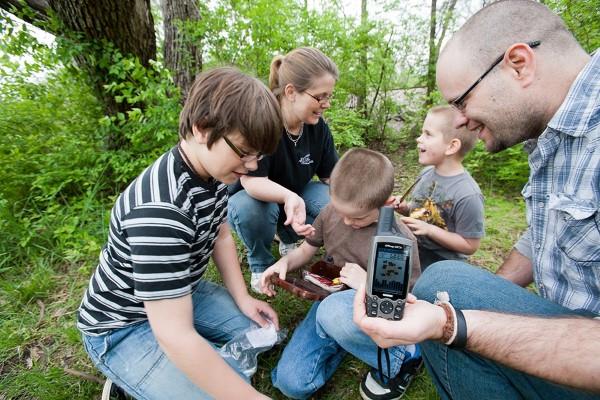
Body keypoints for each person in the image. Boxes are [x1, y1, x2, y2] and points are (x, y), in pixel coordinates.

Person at [353, 0, 600, 398]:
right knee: (452, 289)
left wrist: (452, 323)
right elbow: (546, 237)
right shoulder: (553, 136)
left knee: (443, 284)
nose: (461, 120)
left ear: (518, 63)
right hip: (570, 324)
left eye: (461, 101)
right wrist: (481, 303)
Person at [77, 67, 283, 400]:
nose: (251, 166)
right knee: (227, 387)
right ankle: (128, 376)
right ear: (203, 129)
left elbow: (221, 235)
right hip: (122, 326)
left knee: (265, 334)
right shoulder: (161, 210)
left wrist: (243, 298)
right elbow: (175, 335)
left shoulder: (215, 172)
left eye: (258, 156)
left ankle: (180, 368)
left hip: (180, 292)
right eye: (244, 152)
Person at [259, 148, 422, 400]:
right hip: (329, 304)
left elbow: (402, 304)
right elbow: (307, 249)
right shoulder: (332, 213)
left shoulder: (399, 242)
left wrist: (365, 284)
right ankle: (343, 339)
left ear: (387, 203)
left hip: (371, 313)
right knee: (290, 384)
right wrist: (284, 262)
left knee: (333, 312)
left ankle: (405, 355)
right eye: (340, 211)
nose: (345, 221)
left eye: (356, 217)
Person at [227, 47, 339, 293]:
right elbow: (251, 182)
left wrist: (364, 196)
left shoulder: (318, 128)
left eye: (329, 96)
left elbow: (332, 176)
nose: (326, 104)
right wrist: (289, 197)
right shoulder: (263, 122)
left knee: (334, 205)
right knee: (251, 209)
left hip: (296, 195)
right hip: (254, 199)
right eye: (320, 97)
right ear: (291, 92)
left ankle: (289, 241)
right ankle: (261, 263)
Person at [395, 105, 484, 270]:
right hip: (414, 252)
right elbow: (421, 213)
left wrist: (429, 230)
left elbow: (470, 245)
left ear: (451, 146)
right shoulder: (426, 173)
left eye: (428, 134)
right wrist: (404, 207)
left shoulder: (467, 194)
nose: (419, 139)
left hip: (441, 264)